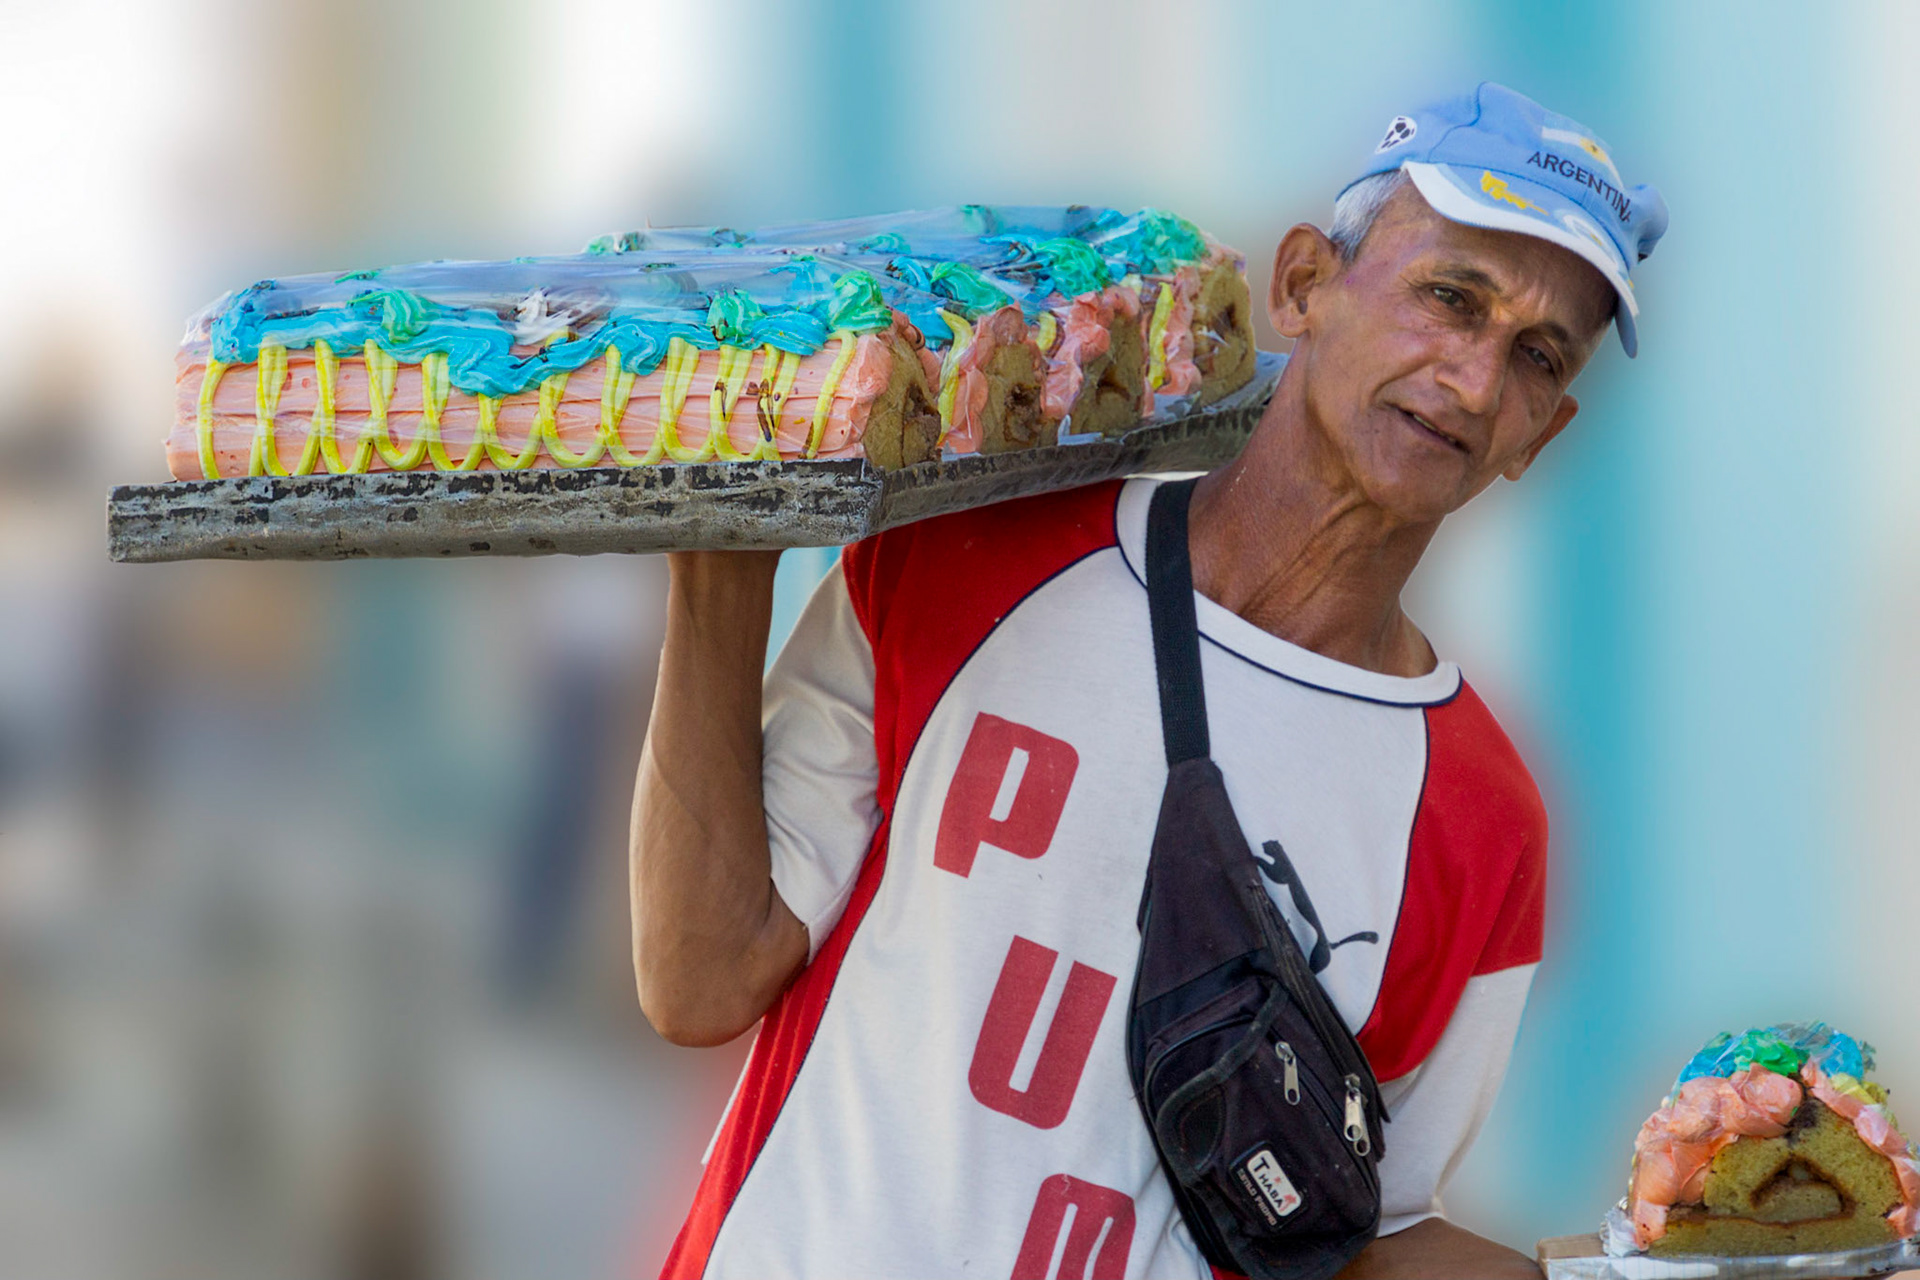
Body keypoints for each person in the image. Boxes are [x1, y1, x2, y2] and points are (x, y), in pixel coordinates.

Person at [631, 82, 1668, 1280]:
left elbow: (1359, 1236)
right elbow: (700, 976)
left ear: (1546, 432)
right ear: (1300, 286)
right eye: (1450, 297)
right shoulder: (970, 556)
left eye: (1536, 357)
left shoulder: (1482, 822)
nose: (1478, 381)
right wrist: (716, 540)